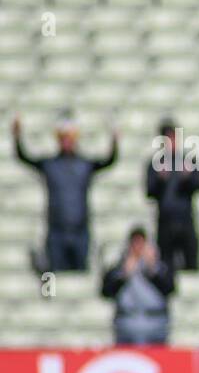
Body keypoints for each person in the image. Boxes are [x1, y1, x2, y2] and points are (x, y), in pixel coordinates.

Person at [13, 115, 119, 273]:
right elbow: (25, 158)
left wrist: (115, 140)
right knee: (55, 276)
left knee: (80, 276)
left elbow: (109, 161)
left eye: (69, 138)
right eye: (63, 138)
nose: (66, 142)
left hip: (80, 230)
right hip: (56, 231)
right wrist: (17, 137)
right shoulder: (50, 165)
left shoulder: (84, 164)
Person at [146, 120, 199, 272]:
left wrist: (188, 178)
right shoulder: (155, 163)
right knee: (166, 265)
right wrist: (160, 180)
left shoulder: (188, 160)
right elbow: (149, 192)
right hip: (165, 221)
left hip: (185, 219)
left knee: (192, 264)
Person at [101, 227, 174, 346]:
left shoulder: (160, 267)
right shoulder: (119, 267)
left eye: (141, 243)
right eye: (135, 243)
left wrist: (152, 270)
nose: (138, 248)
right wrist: (123, 275)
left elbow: (169, 289)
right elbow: (106, 291)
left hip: (155, 323)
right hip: (127, 323)